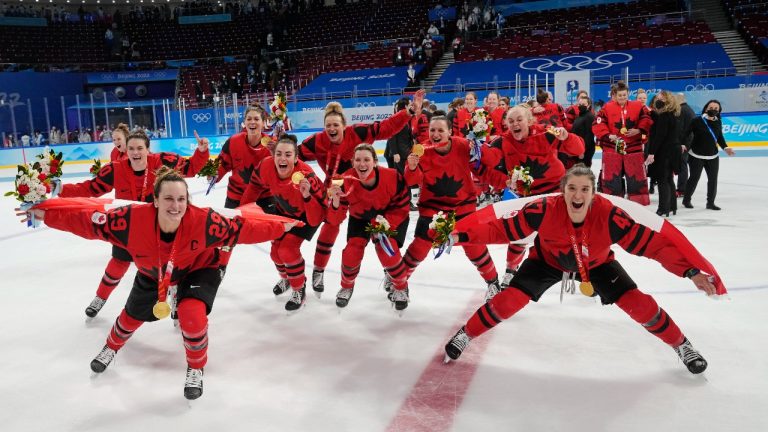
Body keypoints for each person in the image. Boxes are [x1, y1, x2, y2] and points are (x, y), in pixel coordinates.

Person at [20, 167, 297, 400]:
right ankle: (110, 348)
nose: (176, 206)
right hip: (154, 273)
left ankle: (196, 368)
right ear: (154, 200)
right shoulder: (128, 221)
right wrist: (48, 215)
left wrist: (278, 226)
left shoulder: (204, 221)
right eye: (168, 199)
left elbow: (242, 228)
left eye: (181, 199)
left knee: (191, 315)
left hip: (198, 268)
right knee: (130, 317)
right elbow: (87, 222)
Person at [443, 164, 718, 375]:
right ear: (562, 190)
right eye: (572, 188)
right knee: (508, 300)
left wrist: (690, 272)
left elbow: (653, 245)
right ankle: (465, 334)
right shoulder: (542, 208)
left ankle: (682, 345)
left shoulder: (609, 214)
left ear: (593, 192)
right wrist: (460, 236)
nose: (577, 195)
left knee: (640, 305)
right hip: (546, 262)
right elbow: (501, 229)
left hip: (597, 264)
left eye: (584, 189)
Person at [58, 130, 210, 317]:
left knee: (170, 265)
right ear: (126, 150)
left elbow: (190, 169)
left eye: (140, 148)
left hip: (160, 227)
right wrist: (61, 189)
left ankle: (176, 296)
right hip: (127, 227)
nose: (135, 152)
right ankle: (100, 298)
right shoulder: (115, 169)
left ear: (148, 149)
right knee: (118, 263)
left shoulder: (162, 161)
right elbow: (90, 188)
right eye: (131, 148)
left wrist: (201, 152)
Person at [298, 90, 425, 297]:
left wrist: (408, 112)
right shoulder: (316, 141)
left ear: (344, 126)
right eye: (328, 125)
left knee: (382, 229)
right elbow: (294, 157)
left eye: (336, 125)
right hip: (338, 189)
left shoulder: (357, 133)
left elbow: (385, 128)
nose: (332, 129)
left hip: (363, 189)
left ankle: (390, 270)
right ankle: (318, 270)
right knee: (331, 226)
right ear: (324, 127)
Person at [403, 116, 504, 301]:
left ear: (450, 132)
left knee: (475, 245)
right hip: (432, 209)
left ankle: (493, 283)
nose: (435, 134)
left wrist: (481, 150)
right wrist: (411, 167)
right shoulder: (421, 150)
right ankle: (399, 283)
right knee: (420, 246)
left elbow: (485, 168)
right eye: (432, 130)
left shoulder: (464, 146)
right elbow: (410, 181)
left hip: (463, 207)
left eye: (441, 130)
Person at [485, 105, 585, 288]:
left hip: (556, 192)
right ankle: (510, 271)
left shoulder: (547, 133)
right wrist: (504, 181)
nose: (515, 124)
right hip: (526, 196)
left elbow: (579, 149)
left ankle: (580, 270)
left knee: (567, 233)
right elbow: (484, 168)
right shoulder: (501, 142)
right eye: (511, 121)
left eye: (519, 120)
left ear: (530, 120)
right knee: (518, 236)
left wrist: (567, 137)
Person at [240, 135, 326, 312]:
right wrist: (243, 210)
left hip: (310, 214)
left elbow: (317, 217)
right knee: (275, 253)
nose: (282, 158)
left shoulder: (307, 177)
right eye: (279, 154)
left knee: (287, 250)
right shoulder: (266, 165)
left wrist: (306, 196)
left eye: (288, 154)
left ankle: (298, 289)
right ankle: (288, 278)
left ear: (296, 159)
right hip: (283, 212)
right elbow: (254, 186)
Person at [326, 144, 412, 311]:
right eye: (358, 160)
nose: (362, 164)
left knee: (387, 250)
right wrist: (335, 201)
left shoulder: (392, 177)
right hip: (360, 219)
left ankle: (401, 287)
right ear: (352, 162)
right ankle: (346, 286)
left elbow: (403, 205)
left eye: (366, 159)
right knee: (352, 252)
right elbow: (335, 219)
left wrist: (386, 225)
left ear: (375, 162)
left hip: (390, 215)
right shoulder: (344, 181)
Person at [592, 81, 653, 204]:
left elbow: (646, 119)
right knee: (612, 176)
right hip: (612, 148)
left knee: (637, 176)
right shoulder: (606, 108)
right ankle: (613, 202)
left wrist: (638, 130)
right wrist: (608, 135)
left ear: (628, 94)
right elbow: (598, 123)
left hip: (633, 148)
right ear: (614, 95)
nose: (622, 97)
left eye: (624, 95)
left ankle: (639, 201)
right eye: (620, 95)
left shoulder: (638, 106)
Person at [682, 100, 735, 211]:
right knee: (694, 178)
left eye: (716, 108)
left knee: (713, 180)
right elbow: (685, 133)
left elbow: (719, 137)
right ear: (706, 108)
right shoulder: (697, 120)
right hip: (696, 155)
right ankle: (686, 200)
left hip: (713, 156)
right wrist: (682, 144)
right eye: (711, 107)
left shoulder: (718, 121)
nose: (713, 110)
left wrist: (725, 147)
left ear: (719, 110)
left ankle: (710, 203)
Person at [646, 90, 681, 217]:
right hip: (672, 151)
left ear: (668, 101)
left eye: (662, 99)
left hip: (665, 152)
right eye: (657, 99)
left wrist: (651, 153)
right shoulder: (672, 114)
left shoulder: (665, 115)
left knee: (662, 180)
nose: (658, 101)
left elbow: (660, 136)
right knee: (668, 179)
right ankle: (672, 206)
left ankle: (663, 208)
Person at [384, 98, 413, 174]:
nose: (412, 106)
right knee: (401, 176)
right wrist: (395, 153)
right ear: (406, 106)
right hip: (400, 154)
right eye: (410, 104)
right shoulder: (398, 118)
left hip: (404, 152)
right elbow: (391, 136)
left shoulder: (406, 117)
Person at [675, 94, 697, 197]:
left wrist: (681, 143)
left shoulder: (682, 110)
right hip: (689, 141)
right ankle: (683, 188)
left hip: (685, 142)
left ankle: (682, 189)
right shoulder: (688, 109)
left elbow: (682, 129)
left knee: (682, 165)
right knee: (683, 164)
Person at [570, 95, 596, 167]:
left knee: (583, 173)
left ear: (588, 105)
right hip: (577, 149)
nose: (581, 106)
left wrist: (582, 151)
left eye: (583, 104)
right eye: (580, 104)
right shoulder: (580, 116)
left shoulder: (589, 117)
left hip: (584, 151)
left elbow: (589, 136)